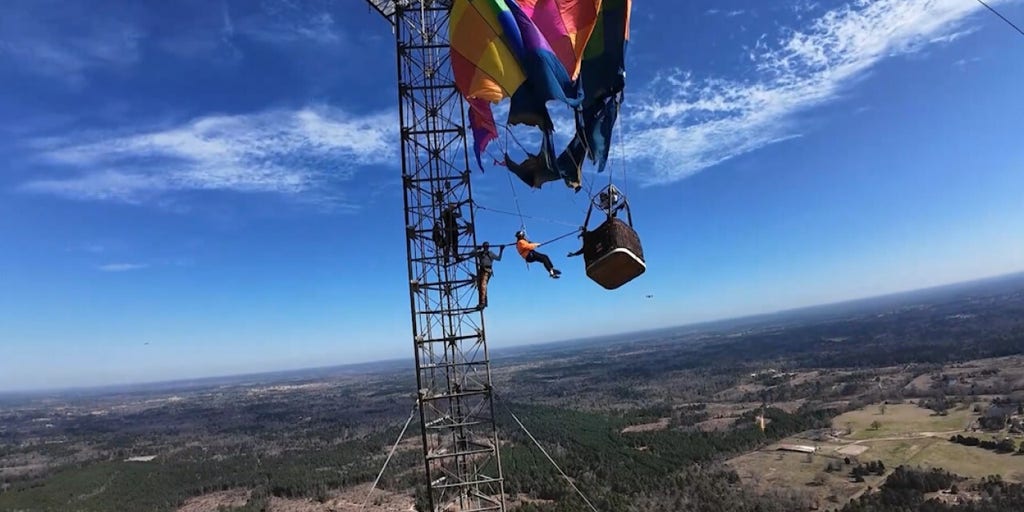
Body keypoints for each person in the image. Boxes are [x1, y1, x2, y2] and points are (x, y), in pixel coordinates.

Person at [468, 242, 504, 308]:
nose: (486, 248)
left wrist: (501, 250)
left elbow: (499, 258)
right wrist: (476, 249)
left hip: (487, 271)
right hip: (481, 271)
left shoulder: (490, 253)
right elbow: (470, 254)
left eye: (487, 246)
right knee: (480, 287)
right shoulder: (480, 253)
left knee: (483, 286)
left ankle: (482, 303)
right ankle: (484, 302)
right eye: (485, 246)